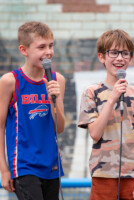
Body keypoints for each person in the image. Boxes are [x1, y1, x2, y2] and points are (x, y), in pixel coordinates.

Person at [78, 29, 134, 200]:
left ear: (130, 59)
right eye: (114, 52)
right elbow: (94, 134)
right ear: (102, 57)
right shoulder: (91, 92)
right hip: (103, 175)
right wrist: (112, 98)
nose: (119, 58)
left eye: (125, 53)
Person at [0, 21, 65, 200]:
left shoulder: (57, 80)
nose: (48, 52)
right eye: (41, 47)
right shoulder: (10, 81)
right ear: (24, 50)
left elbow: (59, 128)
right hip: (24, 165)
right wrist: (4, 170)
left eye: (51, 46)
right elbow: (0, 126)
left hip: (52, 165)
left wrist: (55, 99)